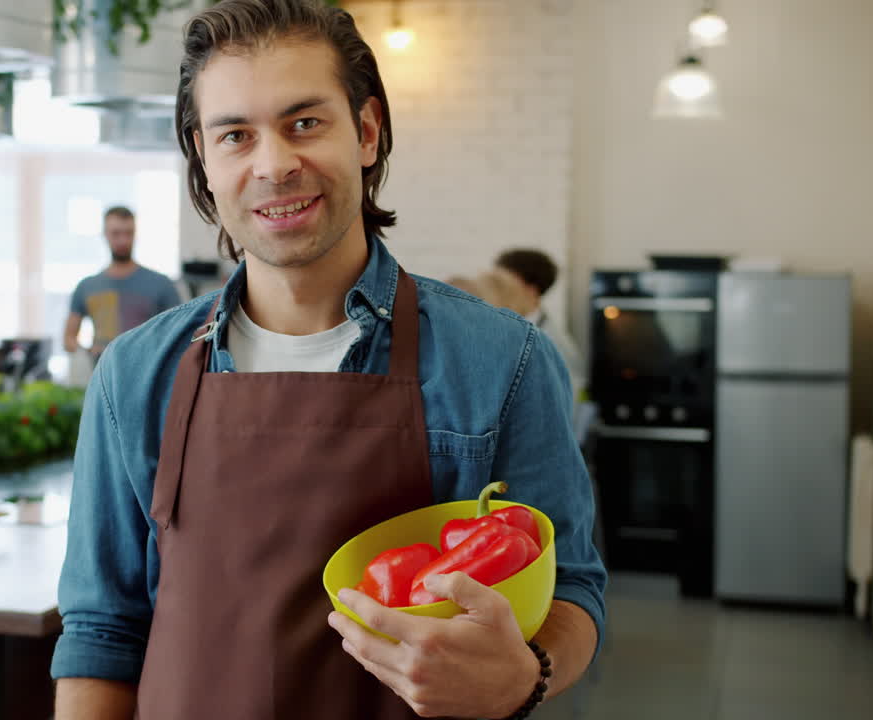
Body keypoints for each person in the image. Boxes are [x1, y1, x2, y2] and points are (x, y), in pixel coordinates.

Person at [51, 2, 606, 718]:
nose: (274, 164)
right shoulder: (133, 376)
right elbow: (103, 630)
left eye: (304, 122)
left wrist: (525, 674)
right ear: (205, 158)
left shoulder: (505, 361)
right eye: (236, 135)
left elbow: (574, 590)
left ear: (367, 132)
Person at [63, 206, 182, 362]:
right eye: (116, 233)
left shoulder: (162, 284)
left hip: (146, 371)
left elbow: (180, 333)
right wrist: (89, 350)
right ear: (105, 235)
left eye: (128, 233)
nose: (123, 240)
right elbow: (68, 339)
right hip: (101, 372)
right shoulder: (86, 286)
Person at [493, 248, 586, 400]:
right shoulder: (511, 329)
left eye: (503, 284)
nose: (497, 291)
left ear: (530, 290)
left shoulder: (554, 344)